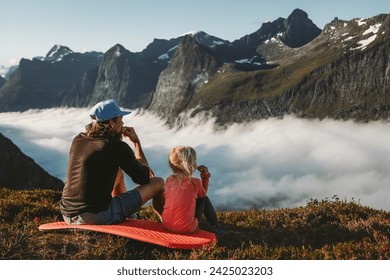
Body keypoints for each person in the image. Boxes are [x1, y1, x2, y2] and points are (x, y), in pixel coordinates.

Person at [60, 99, 165, 225]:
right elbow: (144, 178)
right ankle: (168, 224)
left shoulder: (78, 140)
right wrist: (136, 143)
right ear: (112, 122)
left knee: (119, 173)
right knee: (158, 183)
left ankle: (131, 216)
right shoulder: (116, 146)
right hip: (95, 216)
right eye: (120, 119)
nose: (123, 122)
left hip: (68, 214)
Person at [161, 146, 221, 233]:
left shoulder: (168, 180)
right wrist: (205, 177)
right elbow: (202, 196)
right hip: (186, 228)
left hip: (166, 225)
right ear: (190, 164)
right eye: (194, 160)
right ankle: (217, 228)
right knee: (205, 199)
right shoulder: (195, 182)